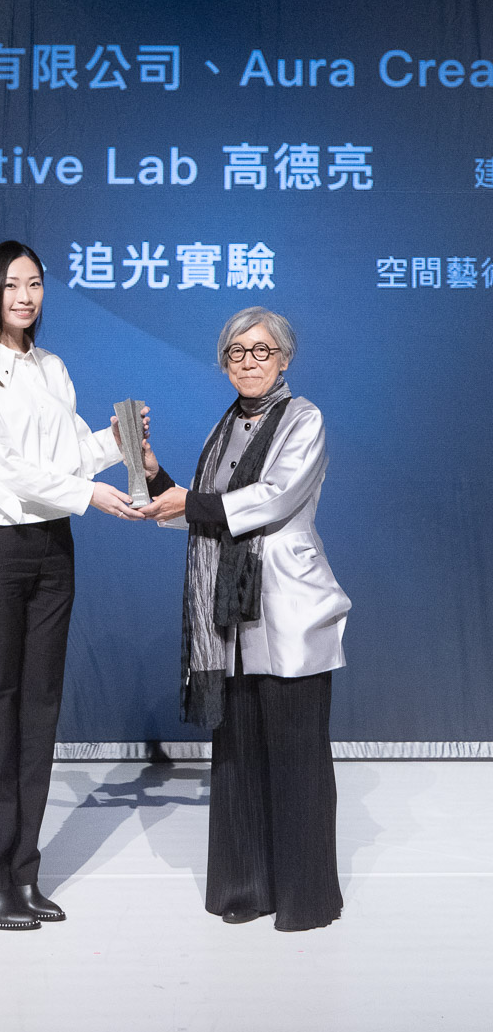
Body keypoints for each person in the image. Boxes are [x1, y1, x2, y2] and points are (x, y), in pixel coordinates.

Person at [0, 240, 142, 931]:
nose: (25, 297)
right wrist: (87, 495)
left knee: (38, 710)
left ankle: (21, 873)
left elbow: (66, 456)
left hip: (52, 546)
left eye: (34, 284)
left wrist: (116, 441)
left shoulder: (51, 367)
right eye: (12, 285)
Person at [140, 307, 350, 932]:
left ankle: (307, 898)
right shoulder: (224, 426)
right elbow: (203, 513)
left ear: (285, 358)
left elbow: (272, 498)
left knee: (296, 757)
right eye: (237, 351)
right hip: (231, 620)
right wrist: (155, 477)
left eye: (262, 351)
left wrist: (191, 502)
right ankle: (245, 888)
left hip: (288, 610)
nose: (249, 362)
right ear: (223, 363)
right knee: (238, 758)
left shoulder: (304, 418)